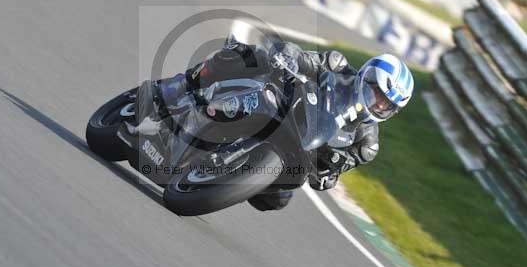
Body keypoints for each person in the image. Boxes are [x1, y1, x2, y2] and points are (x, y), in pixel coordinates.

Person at [156, 38, 414, 211]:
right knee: (249, 56)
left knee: (278, 199)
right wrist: (289, 57)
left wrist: (328, 171)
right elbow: (303, 58)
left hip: (297, 147)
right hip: (283, 105)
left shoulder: (366, 144)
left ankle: (212, 179)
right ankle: (185, 84)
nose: (378, 104)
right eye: (377, 93)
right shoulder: (338, 67)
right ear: (366, 78)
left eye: (386, 104)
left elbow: (328, 177)